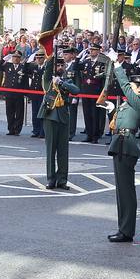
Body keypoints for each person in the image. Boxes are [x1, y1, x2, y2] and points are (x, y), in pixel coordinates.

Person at [103, 51, 140, 242]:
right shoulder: (129, 103)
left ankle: (127, 230)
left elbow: (124, 87)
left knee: (126, 191)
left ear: (139, 88)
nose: (128, 88)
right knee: (121, 190)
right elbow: (119, 122)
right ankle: (123, 227)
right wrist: (110, 110)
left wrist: (117, 65)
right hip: (119, 144)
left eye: (132, 86)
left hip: (127, 146)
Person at [41, 46, 80, 190]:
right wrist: (52, 51)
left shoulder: (65, 81)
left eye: (61, 65)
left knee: (63, 151)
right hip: (50, 116)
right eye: (57, 65)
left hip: (63, 117)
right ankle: (51, 178)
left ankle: (62, 179)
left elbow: (76, 90)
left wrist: (61, 82)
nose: (59, 67)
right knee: (51, 150)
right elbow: (48, 67)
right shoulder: (48, 80)